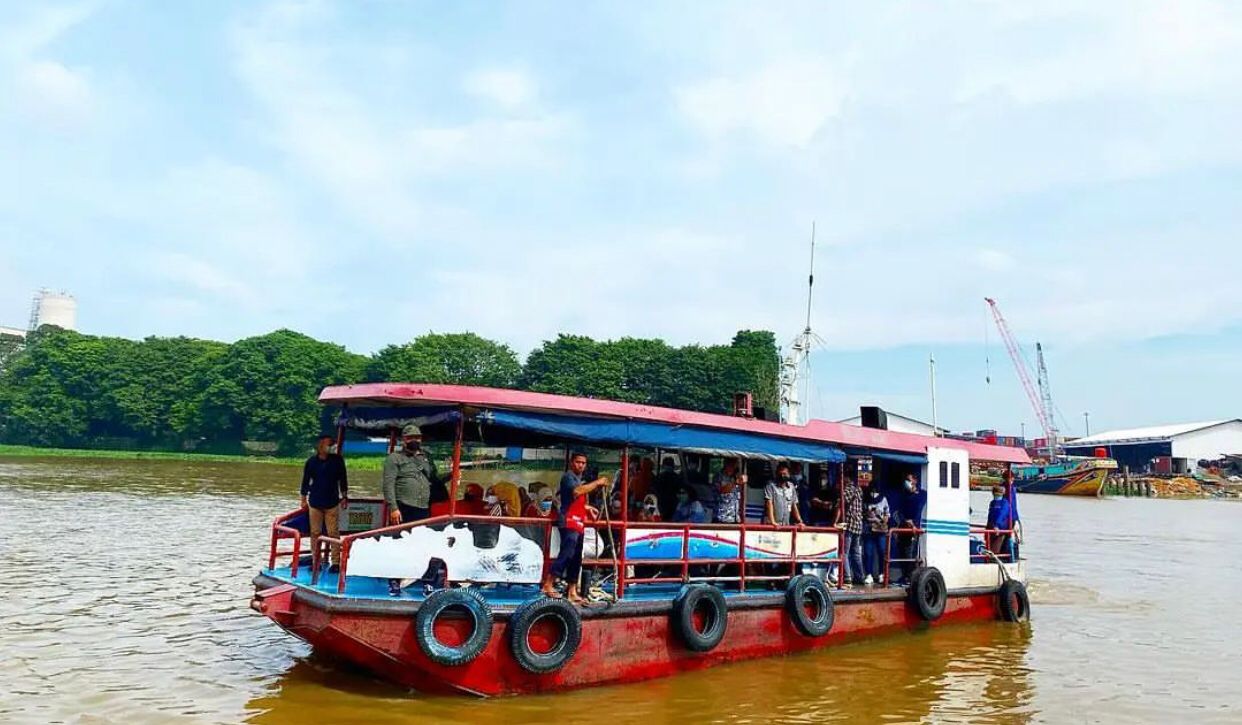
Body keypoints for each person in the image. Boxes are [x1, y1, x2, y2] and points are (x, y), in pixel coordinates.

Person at [542, 451, 610, 604]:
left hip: (579, 522)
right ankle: (548, 583)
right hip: (569, 521)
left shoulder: (579, 480)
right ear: (572, 463)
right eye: (578, 462)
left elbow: (572, 499)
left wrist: (587, 508)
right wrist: (597, 483)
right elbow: (576, 492)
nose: (581, 465)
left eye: (583, 463)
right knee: (567, 552)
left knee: (576, 557)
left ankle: (572, 590)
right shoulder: (568, 477)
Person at [300, 434, 349, 573]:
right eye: (329, 444)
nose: (331, 447)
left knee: (333, 533)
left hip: (332, 501)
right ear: (320, 445)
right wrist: (303, 498)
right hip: (315, 502)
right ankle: (317, 561)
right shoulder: (311, 462)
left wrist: (344, 496)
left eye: (332, 444)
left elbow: (343, 479)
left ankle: (335, 562)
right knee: (315, 532)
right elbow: (305, 481)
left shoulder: (337, 460)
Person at [381, 424, 441, 525]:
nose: (414, 440)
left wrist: (451, 475)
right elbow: (388, 485)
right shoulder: (394, 458)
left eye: (417, 437)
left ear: (421, 439)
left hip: (423, 507)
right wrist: (394, 508)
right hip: (404, 506)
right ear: (404, 439)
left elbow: (434, 479)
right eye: (410, 437)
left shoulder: (427, 457)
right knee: (400, 538)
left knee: (420, 538)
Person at [891, 473, 927, 585]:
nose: (907, 482)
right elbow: (899, 511)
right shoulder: (904, 495)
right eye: (906, 480)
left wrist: (913, 524)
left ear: (915, 481)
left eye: (909, 480)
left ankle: (910, 577)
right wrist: (904, 521)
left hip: (913, 530)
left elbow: (919, 509)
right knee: (901, 552)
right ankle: (904, 575)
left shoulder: (921, 494)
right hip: (903, 527)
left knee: (910, 553)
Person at [838, 476, 865, 587]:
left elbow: (841, 504)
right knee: (856, 553)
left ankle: (847, 577)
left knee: (844, 552)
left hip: (849, 525)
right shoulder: (859, 489)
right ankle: (860, 577)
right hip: (858, 525)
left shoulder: (848, 490)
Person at [862, 483, 890, 585]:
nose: (874, 494)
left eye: (875, 491)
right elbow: (862, 513)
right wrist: (867, 513)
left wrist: (882, 520)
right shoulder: (865, 499)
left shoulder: (883, 499)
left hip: (880, 530)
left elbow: (887, 514)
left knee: (882, 551)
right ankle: (868, 574)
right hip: (868, 529)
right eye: (872, 491)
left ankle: (881, 574)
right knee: (868, 553)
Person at [764, 462, 805, 527]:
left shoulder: (791, 487)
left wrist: (799, 520)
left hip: (786, 524)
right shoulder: (770, 486)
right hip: (773, 525)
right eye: (780, 474)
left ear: (789, 474)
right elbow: (769, 503)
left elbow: (794, 504)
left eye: (784, 474)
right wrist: (773, 522)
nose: (782, 476)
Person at [986, 485, 1015, 559]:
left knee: (995, 548)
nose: (996, 495)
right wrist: (987, 527)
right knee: (989, 547)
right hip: (991, 528)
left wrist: (997, 525)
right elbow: (990, 515)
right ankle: (989, 559)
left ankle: (994, 560)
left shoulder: (1005, 503)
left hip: (1000, 529)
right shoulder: (992, 503)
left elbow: (1002, 515)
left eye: (998, 493)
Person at [713, 459, 744, 524]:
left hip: (735, 518)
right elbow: (722, 490)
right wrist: (735, 482)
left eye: (734, 464)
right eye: (730, 464)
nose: (733, 466)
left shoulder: (736, 476)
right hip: (722, 517)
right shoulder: (719, 476)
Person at [654, 456, 682, 521]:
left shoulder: (659, 477)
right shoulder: (677, 477)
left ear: (663, 466)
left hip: (662, 503)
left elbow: (655, 490)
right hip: (673, 503)